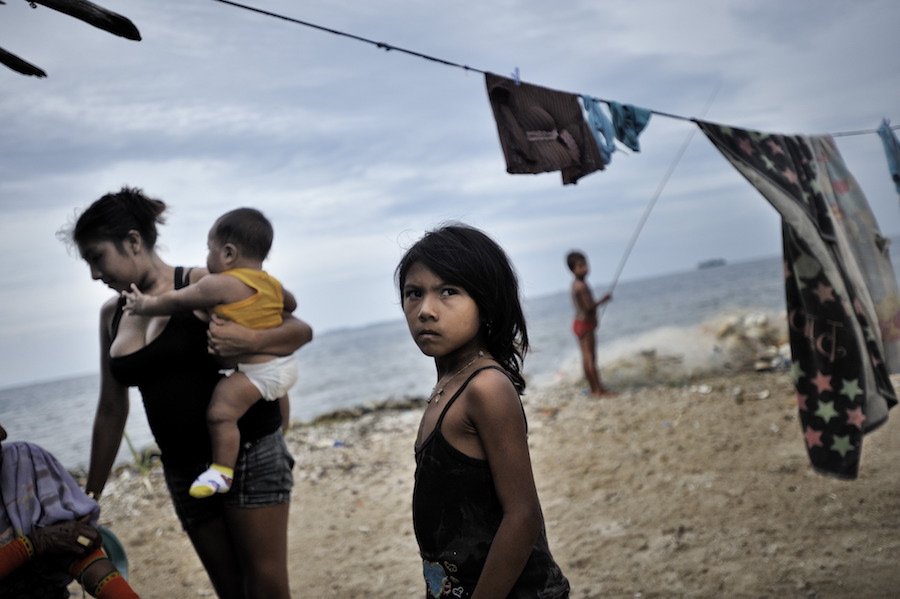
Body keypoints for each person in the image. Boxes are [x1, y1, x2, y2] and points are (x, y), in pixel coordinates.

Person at [61, 187, 312, 599]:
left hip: (247, 452)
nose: (93, 273)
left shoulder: (202, 283)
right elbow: (111, 409)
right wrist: (91, 495)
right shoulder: (112, 315)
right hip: (182, 471)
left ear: (133, 241)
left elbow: (297, 330)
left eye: (96, 256)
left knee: (266, 588)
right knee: (230, 590)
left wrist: (248, 337)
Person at [396, 223, 570, 599]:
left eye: (448, 292)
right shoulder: (449, 385)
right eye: (413, 293)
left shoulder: (485, 388)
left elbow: (522, 516)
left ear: (486, 302)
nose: (425, 310)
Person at [122, 207, 299, 499]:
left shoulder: (219, 283)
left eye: (209, 249)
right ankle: (284, 432)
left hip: (257, 373)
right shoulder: (272, 284)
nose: (207, 257)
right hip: (283, 365)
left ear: (228, 254)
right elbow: (290, 305)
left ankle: (221, 471)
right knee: (274, 393)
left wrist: (144, 306)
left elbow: (176, 300)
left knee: (220, 413)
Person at [0, 423, 140, 598]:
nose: (2, 433)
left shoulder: (23, 463)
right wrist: (34, 543)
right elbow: (48, 539)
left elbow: (71, 542)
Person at [566, 250, 613, 396]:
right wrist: (603, 300)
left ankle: (594, 389)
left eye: (585, 264)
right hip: (585, 325)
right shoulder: (581, 285)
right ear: (573, 269)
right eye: (580, 266)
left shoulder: (575, 284)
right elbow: (588, 306)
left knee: (586, 358)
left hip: (579, 323)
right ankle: (598, 389)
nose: (585, 268)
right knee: (591, 358)